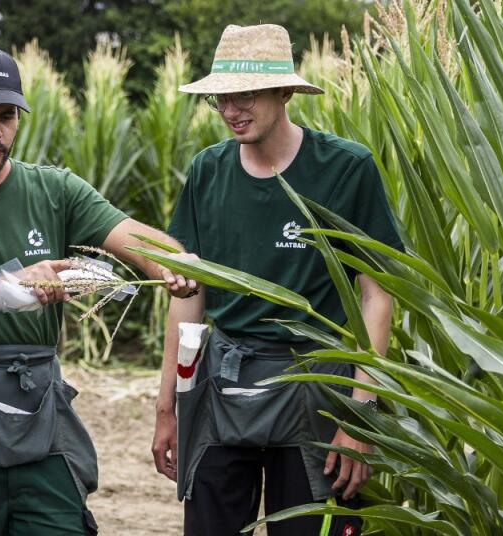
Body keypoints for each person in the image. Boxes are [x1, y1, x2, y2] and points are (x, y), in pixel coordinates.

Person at [0, 45, 198, 535]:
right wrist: (4, 287)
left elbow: (131, 236)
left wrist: (172, 261)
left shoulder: (55, 190)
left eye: (6, 116)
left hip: (40, 415)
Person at [152, 24, 402, 536]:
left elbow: (377, 294)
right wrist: (169, 406)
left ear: (285, 91)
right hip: (223, 384)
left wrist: (361, 414)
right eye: (222, 98)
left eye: (247, 95)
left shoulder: (346, 169)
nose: (232, 110)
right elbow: (188, 296)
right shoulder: (208, 171)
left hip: (317, 391)